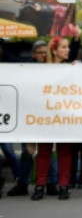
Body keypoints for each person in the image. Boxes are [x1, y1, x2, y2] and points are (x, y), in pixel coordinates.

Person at [33, 35, 79, 200]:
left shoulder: (71, 68)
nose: (68, 50)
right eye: (64, 47)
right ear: (54, 50)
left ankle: (63, 185)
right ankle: (40, 185)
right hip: (46, 115)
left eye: (68, 47)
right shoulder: (41, 69)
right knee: (44, 151)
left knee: (64, 151)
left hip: (63, 115)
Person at [5, 40, 47, 197]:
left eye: (45, 52)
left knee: (47, 150)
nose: (43, 55)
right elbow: (12, 60)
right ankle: (23, 183)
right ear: (33, 54)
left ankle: (50, 183)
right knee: (28, 150)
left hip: (48, 116)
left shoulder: (55, 67)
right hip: (30, 114)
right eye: (40, 52)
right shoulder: (26, 66)